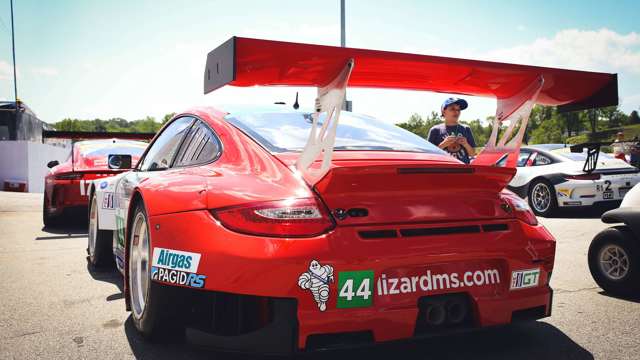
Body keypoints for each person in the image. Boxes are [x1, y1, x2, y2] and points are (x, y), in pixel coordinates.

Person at [427, 97, 476, 164]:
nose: (456, 112)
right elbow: (429, 155)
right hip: (443, 170)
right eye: (452, 109)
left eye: (458, 110)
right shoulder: (435, 130)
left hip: (463, 171)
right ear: (444, 112)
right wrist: (443, 145)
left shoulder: (466, 128)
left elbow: (472, 154)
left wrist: (466, 144)